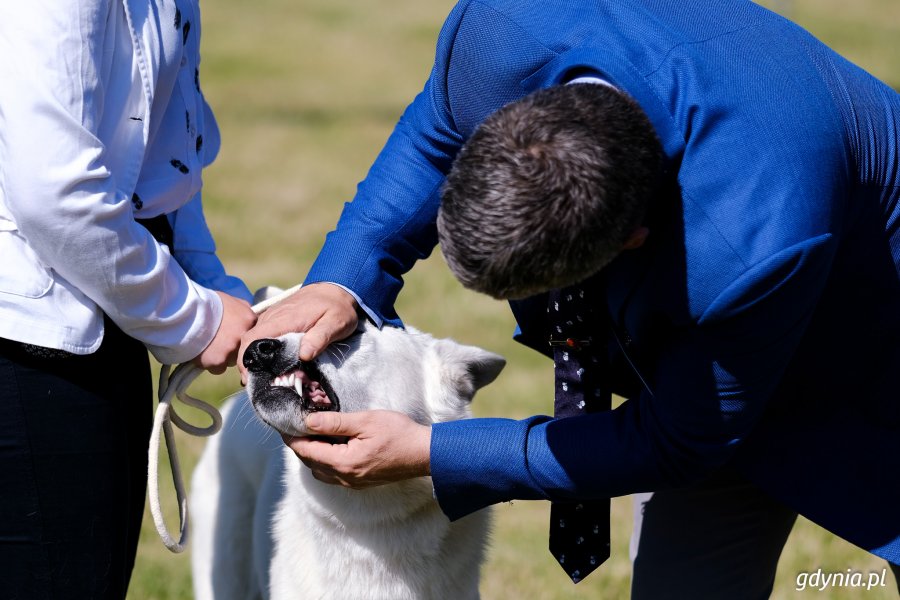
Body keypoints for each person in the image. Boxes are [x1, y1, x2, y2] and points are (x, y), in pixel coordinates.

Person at [240, 0, 900, 596]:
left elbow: (675, 442)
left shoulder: (749, 243)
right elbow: (436, 129)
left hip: (871, 344)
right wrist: (342, 282)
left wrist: (434, 454)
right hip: (706, 351)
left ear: (634, 239)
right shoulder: (503, 25)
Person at [0, 2, 257, 598]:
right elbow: (55, 191)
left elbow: (162, 154)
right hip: (30, 341)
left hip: (94, 319)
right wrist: (194, 319)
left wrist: (212, 284)